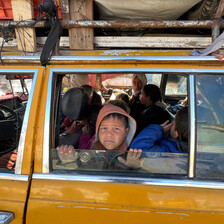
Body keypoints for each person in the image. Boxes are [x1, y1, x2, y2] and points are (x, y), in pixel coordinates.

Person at [57, 104, 137, 169]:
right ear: (97, 130)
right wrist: (69, 162)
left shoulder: (132, 157)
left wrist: (133, 169)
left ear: (126, 132)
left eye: (116, 128)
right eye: (104, 128)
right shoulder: (91, 154)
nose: (109, 134)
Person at [118, 107, 188, 171]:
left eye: (173, 123)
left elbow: (138, 148)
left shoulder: (170, 151)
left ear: (176, 134)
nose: (170, 124)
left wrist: (159, 129)